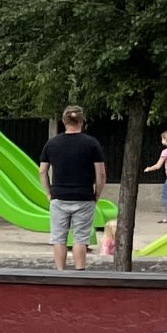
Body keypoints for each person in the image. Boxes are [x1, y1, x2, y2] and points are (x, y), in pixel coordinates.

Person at [39, 107, 108, 270]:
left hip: (59, 196)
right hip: (84, 196)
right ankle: (80, 272)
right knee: (80, 238)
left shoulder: (52, 143)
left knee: (58, 238)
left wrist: (49, 193)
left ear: (63, 122)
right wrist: (96, 195)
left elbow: (42, 171)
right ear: (82, 122)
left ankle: (60, 272)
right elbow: (101, 174)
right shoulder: (92, 143)